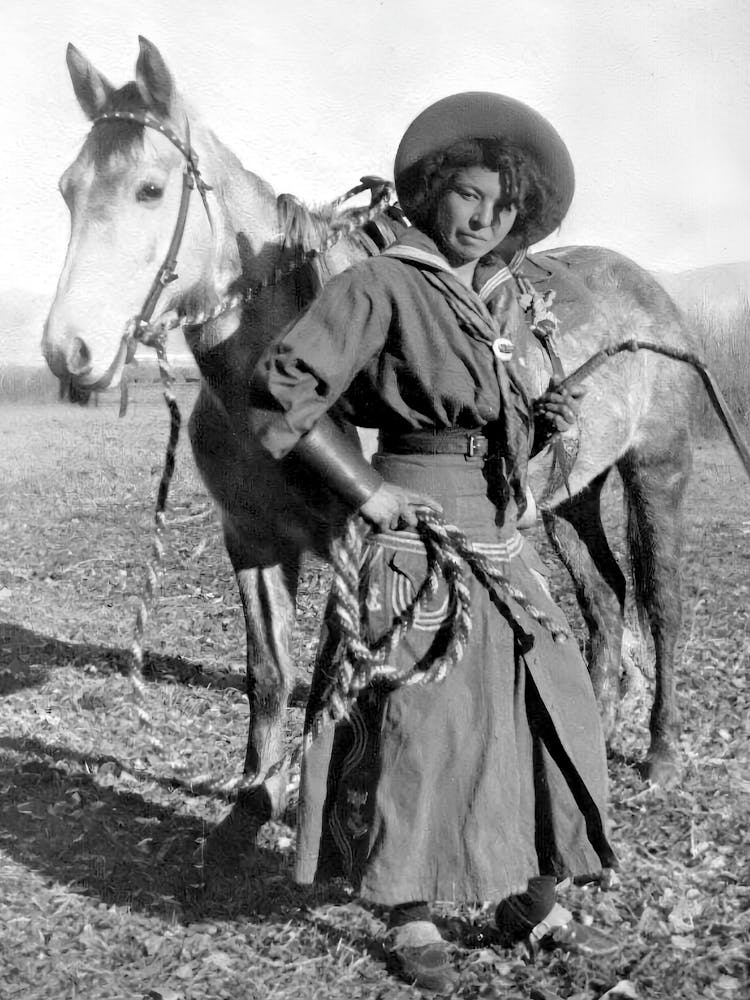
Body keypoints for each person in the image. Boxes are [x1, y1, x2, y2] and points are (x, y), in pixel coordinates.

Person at [248, 92, 618, 993]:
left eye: (501, 205)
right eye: (467, 196)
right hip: (417, 535)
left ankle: (530, 892)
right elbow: (281, 390)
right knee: (421, 729)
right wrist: (370, 493)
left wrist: (538, 422)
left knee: (549, 704)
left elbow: (486, 417)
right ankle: (410, 909)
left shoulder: (502, 302)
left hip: (497, 534)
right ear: (431, 195)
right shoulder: (382, 283)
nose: (483, 216)